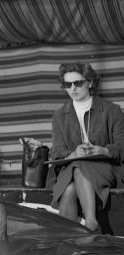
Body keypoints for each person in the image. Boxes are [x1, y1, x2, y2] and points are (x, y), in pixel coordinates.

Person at [51, 62, 124, 232]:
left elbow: (122, 147)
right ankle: (89, 227)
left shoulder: (112, 111)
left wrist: (103, 150)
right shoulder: (59, 115)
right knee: (71, 185)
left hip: (105, 168)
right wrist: (74, 153)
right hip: (70, 169)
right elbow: (58, 151)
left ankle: (81, 233)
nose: (73, 89)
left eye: (78, 83)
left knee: (76, 173)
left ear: (90, 82)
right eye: (67, 85)